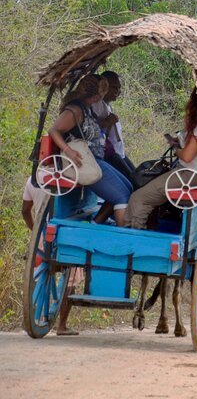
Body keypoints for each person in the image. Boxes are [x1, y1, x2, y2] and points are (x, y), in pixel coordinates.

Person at [125, 90, 197, 229]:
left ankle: (135, 237)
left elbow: (187, 157)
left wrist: (176, 148)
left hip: (190, 176)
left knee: (139, 198)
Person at [48, 74, 132, 226]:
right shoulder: (74, 110)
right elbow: (53, 130)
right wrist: (68, 150)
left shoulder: (86, 109)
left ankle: (96, 224)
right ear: (96, 96)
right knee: (122, 197)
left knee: (129, 188)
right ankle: (123, 240)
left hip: (95, 159)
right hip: (84, 162)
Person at [22, 177, 77, 335]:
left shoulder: (33, 180)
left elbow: (25, 211)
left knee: (38, 276)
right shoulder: (70, 178)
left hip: (42, 235)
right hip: (65, 235)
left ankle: (31, 317)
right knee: (70, 278)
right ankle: (62, 326)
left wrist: (35, 230)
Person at [91, 70, 137, 187]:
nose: (118, 91)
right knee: (131, 184)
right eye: (114, 87)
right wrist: (107, 122)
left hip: (118, 153)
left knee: (138, 179)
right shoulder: (96, 105)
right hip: (110, 155)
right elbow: (91, 129)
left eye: (119, 88)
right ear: (104, 87)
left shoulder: (106, 106)